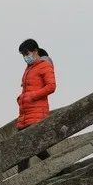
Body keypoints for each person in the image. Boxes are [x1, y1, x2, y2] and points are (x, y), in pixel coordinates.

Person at [16, 38, 56, 170]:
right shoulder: (29, 69)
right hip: (25, 114)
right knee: (22, 148)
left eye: (27, 53)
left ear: (35, 51)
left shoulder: (44, 66)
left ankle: (57, 168)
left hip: (37, 114)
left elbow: (51, 86)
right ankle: (56, 168)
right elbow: (27, 89)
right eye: (23, 55)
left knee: (32, 147)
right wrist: (21, 97)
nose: (25, 57)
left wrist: (32, 96)